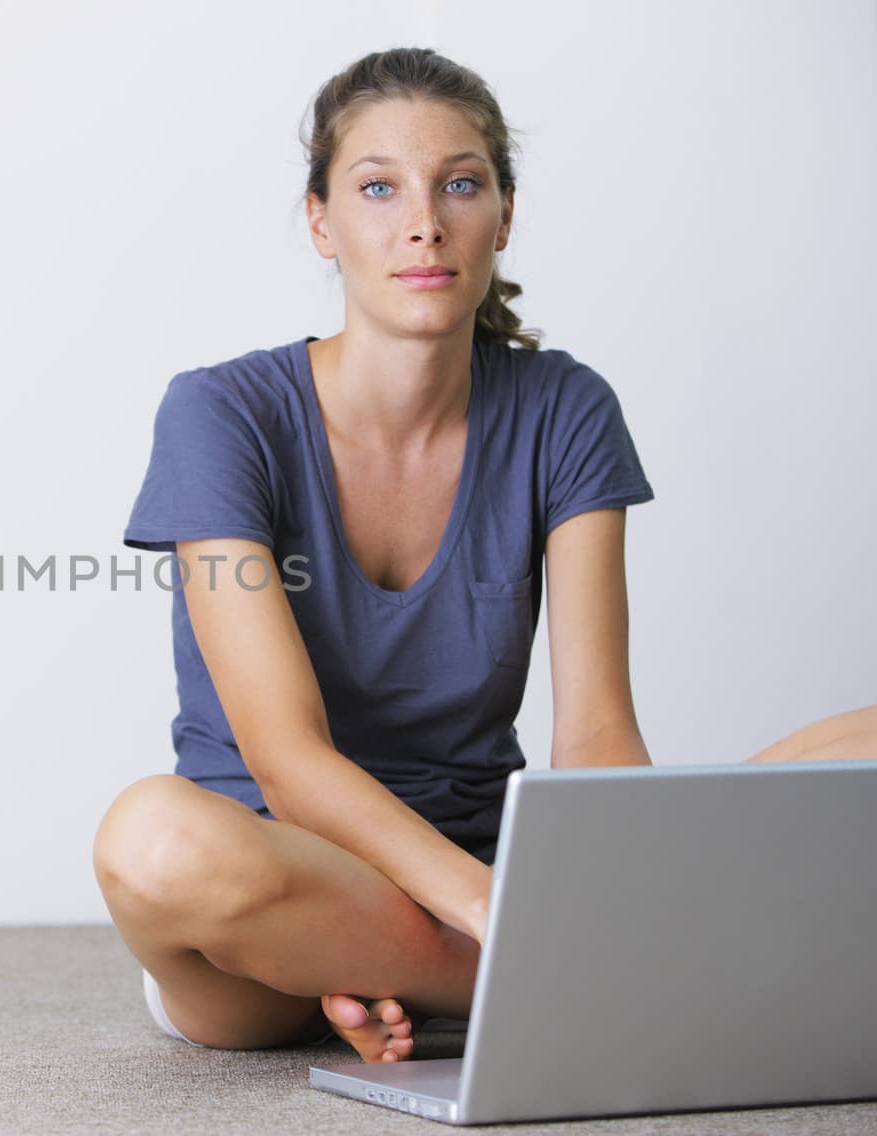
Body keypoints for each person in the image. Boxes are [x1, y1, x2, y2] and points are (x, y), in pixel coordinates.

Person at [91, 46, 877, 1063]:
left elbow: (594, 737)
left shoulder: (565, 408)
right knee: (152, 839)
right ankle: (576, 972)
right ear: (322, 223)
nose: (422, 219)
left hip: (489, 868)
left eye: (459, 183)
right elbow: (287, 766)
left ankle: (474, 970)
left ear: (502, 215)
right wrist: (503, 913)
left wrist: (580, 875)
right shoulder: (219, 414)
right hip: (277, 896)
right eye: (377, 188)